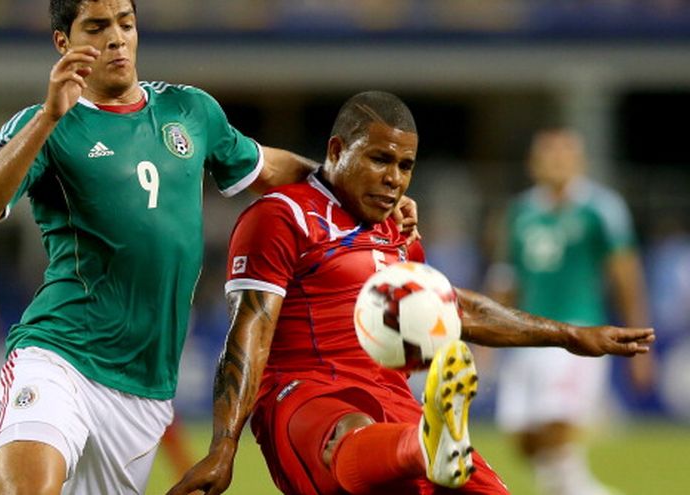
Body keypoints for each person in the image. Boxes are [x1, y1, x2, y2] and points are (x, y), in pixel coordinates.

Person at [0, 2, 419, 494]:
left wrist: (359, 191)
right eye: (96, 27)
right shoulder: (45, 124)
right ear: (63, 43)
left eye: (125, 23)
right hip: (60, 353)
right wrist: (50, 116)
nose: (116, 38)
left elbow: (270, 169)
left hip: (143, 388)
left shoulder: (188, 111)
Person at [166, 91, 655, 495]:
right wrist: (223, 445)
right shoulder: (282, 216)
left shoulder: (398, 231)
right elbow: (249, 329)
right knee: (350, 433)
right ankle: (423, 447)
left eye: (405, 165)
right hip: (306, 394)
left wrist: (571, 336)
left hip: (394, 399)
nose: (394, 179)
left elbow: (453, 307)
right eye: (379, 159)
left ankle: (427, 444)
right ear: (337, 150)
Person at [487, 128, 655, 495]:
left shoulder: (601, 208)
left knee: (557, 423)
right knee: (523, 438)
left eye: (564, 154)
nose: (557, 161)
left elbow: (626, 275)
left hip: (578, 333)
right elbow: (505, 278)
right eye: (549, 154)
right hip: (527, 334)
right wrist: (484, 341)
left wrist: (642, 343)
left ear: (580, 162)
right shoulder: (519, 212)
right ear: (533, 163)